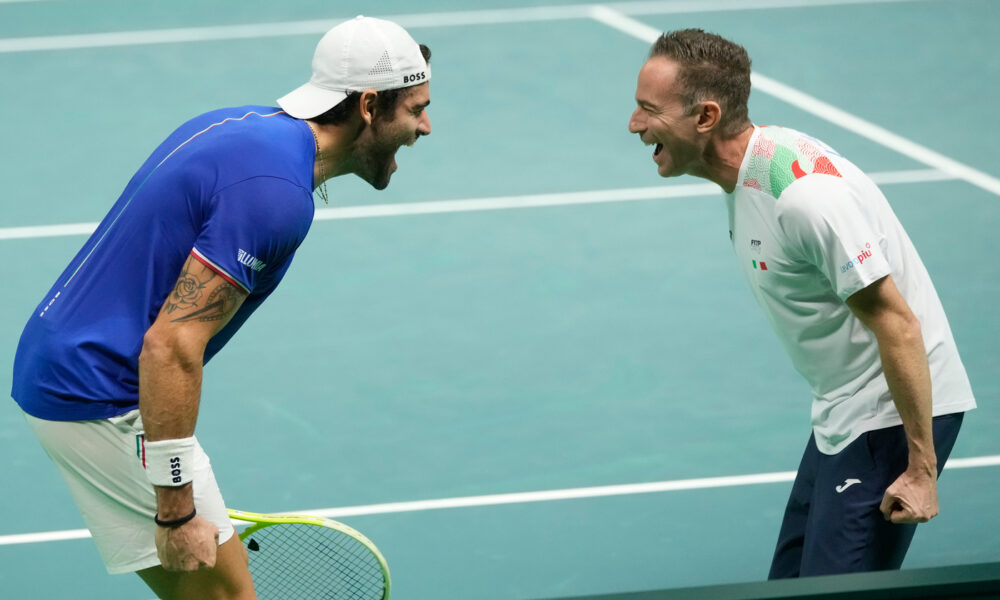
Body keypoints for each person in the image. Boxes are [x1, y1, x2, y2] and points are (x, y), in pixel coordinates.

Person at [11, 15, 431, 600]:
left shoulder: (240, 127)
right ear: (367, 106)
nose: (426, 126)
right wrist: (177, 509)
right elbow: (172, 344)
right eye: (415, 109)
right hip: (100, 393)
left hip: (61, 363)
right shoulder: (276, 195)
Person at [627, 29, 976, 577]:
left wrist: (921, 468)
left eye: (649, 109)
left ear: (705, 117)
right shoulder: (749, 172)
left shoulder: (805, 199)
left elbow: (900, 326)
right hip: (841, 409)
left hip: (889, 410)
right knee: (790, 587)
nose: (634, 123)